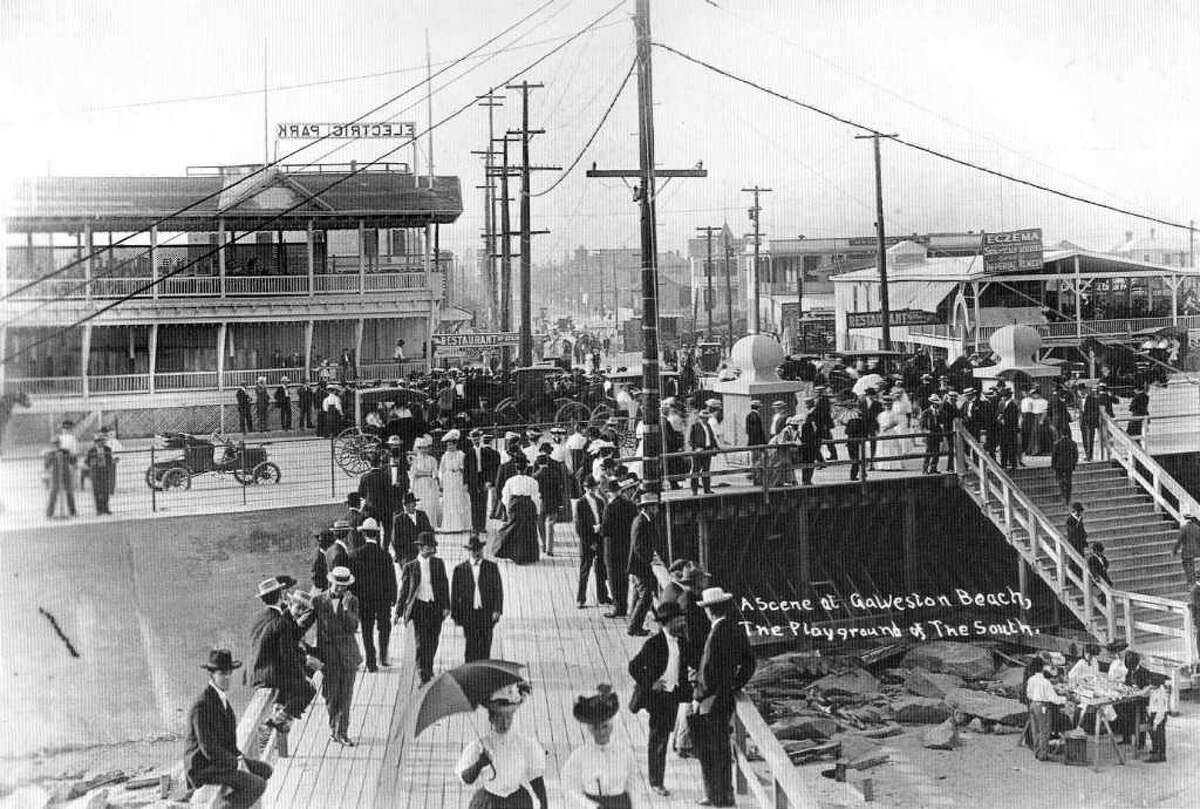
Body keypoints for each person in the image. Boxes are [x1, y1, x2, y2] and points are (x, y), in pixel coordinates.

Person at [184, 649, 273, 809]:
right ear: (212, 675)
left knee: (264, 770)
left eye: (229, 673)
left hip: (219, 761)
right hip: (203, 766)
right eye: (222, 674)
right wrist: (235, 763)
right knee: (256, 785)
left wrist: (239, 757)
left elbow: (228, 741)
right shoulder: (202, 705)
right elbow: (208, 748)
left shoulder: (222, 699)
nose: (227, 678)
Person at [692, 586, 756, 807]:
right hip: (726, 697)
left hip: (710, 701)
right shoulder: (736, 629)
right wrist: (735, 684)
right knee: (721, 749)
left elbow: (707, 673)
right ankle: (724, 794)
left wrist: (697, 697)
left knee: (709, 751)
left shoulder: (715, 633)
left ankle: (716, 796)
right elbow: (750, 662)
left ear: (709, 610)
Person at [629, 601, 694, 797]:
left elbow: (691, 662)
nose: (683, 621)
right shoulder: (653, 644)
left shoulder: (682, 642)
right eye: (679, 619)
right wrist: (650, 684)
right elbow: (633, 667)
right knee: (658, 738)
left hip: (674, 695)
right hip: (658, 697)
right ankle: (656, 781)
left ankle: (662, 770)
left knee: (665, 733)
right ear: (668, 622)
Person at [455, 682, 547, 809]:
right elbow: (466, 779)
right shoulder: (480, 745)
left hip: (518, 802)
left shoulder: (525, 744)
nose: (505, 723)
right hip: (489, 802)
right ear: (491, 719)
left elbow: (535, 777)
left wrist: (544, 804)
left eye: (508, 717)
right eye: (500, 717)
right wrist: (479, 764)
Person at [249, 576, 316, 731]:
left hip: (256, 671)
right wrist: (303, 676)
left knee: (292, 682)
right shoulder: (281, 621)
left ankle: (279, 713)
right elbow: (288, 656)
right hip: (269, 673)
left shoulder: (260, 616)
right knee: (308, 689)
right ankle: (278, 720)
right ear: (280, 595)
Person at [561, 684, 639, 809]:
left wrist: (634, 805)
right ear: (589, 728)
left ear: (612, 725)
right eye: (595, 728)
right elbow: (569, 788)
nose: (601, 732)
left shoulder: (625, 752)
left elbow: (633, 785)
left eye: (605, 726)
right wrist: (589, 805)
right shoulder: (579, 756)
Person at [314, 566, 362, 745]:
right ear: (331, 582)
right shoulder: (318, 601)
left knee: (345, 696)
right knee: (330, 695)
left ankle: (341, 732)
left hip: (348, 656)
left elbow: (353, 626)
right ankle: (334, 728)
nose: (341, 589)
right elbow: (304, 623)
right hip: (329, 657)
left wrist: (346, 608)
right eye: (338, 585)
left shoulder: (352, 600)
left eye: (344, 586)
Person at [396, 532, 450, 685]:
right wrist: (398, 612)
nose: (432, 549)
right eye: (429, 546)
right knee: (421, 641)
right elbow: (404, 590)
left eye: (432, 546)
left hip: (435, 607)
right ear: (420, 547)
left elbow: (444, 585)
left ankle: (428, 666)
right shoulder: (410, 566)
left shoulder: (438, 564)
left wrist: (446, 606)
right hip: (419, 608)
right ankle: (422, 673)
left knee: (433, 640)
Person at [451, 535, 503, 662]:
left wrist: (497, 610)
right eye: (473, 550)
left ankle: (484, 676)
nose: (476, 553)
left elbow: (498, 590)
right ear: (469, 551)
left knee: (485, 645)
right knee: (470, 646)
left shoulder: (491, 567)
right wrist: (455, 615)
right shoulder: (460, 569)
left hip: (486, 612)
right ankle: (470, 674)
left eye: (478, 550)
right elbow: (454, 594)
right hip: (469, 614)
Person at [354, 520, 398, 672]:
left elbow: (353, 582)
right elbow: (392, 578)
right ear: (377, 534)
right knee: (384, 626)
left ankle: (371, 661)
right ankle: (383, 656)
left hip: (364, 600)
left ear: (364, 534)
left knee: (367, 629)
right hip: (383, 599)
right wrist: (394, 597)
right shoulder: (385, 555)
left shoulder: (356, 555)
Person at [494, 456, 541, 565]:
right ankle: (528, 556)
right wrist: (537, 511)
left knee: (513, 529)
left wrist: (507, 508)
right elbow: (535, 497)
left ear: (517, 469)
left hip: (514, 505)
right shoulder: (532, 481)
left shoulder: (511, 480)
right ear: (526, 469)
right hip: (528, 505)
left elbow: (505, 496)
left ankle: (514, 554)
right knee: (528, 530)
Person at [601, 480, 637, 619]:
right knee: (624, 577)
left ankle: (618, 607)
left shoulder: (609, 508)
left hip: (612, 549)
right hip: (626, 546)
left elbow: (605, 530)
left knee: (613, 580)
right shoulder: (630, 505)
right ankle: (624, 605)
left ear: (609, 493)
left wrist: (599, 528)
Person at [627, 495, 662, 637]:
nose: (657, 508)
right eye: (654, 506)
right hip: (640, 566)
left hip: (638, 566)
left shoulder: (644, 520)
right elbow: (638, 547)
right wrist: (650, 560)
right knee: (646, 595)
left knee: (639, 593)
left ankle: (634, 621)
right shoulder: (641, 522)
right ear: (647, 507)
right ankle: (634, 627)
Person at [574, 476, 611, 608]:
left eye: (592, 487)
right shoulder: (580, 503)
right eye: (588, 488)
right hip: (587, 541)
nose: (590, 490)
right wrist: (590, 542)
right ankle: (581, 598)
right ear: (584, 488)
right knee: (585, 571)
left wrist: (601, 527)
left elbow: (604, 519)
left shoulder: (600, 502)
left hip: (599, 539)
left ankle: (602, 596)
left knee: (601, 570)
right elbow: (579, 527)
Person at [1025, 662, 1068, 761]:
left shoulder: (1031, 679)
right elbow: (1053, 698)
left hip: (1033, 704)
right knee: (1044, 730)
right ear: (1043, 669)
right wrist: (1066, 699)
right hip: (1043, 706)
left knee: (1035, 729)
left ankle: (1037, 751)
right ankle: (1043, 755)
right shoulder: (1045, 682)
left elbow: (1029, 694)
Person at [533, 447, 567, 556]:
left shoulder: (535, 476)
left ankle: (543, 543)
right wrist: (561, 503)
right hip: (553, 501)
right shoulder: (555, 474)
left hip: (540, 502)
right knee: (550, 524)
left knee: (540, 523)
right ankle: (550, 548)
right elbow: (559, 490)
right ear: (547, 462)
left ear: (538, 464)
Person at [466, 429, 500, 534]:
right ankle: (475, 526)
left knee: (483, 502)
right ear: (471, 439)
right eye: (473, 439)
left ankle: (482, 526)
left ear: (480, 439)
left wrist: (489, 481)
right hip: (473, 480)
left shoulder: (486, 452)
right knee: (474, 503)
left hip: (483, 478)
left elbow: (490, 468)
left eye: (477, 438)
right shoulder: (468, 453)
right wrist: (465, 483)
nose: (475, 441)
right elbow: (466, 470)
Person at [438, 431, 472, 533]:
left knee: (459, 501)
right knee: (449, 502)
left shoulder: (461, 454)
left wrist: (464, 479)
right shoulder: (445, 456)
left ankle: (461, 525)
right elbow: (441, 470)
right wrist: (441, 483)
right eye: (448, 445)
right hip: (448, 480)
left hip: (458, 478)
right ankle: (450, 526)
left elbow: (465, 469)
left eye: (451, 445)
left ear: (455, 445)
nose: (449, 447)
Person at [392, 492, 435, 565]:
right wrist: (401, 557)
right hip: (407, 556)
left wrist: (431, 551)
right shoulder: (398, 519)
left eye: (411, 505)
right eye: (407, 506)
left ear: (415, 504)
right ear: (404, 506)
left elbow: (429, 532)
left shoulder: (422, 515)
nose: (409, 508)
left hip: (423, 553)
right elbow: (396, 541)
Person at [409, 435, 442, 528]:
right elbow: (414, 473)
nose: (423, 450)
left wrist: (432, 477)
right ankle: (420, 524)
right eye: (421, 448)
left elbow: (435, 472)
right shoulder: (415, 460)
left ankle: (431, 524)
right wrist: (426, 473)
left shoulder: (432, 460)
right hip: (419, 484)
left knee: (430, 503)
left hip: (429, 484)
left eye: (425, 448)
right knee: (420, 503)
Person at [43, 438, 76, 519]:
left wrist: (72, 457)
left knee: (69, 492)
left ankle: (73, 512)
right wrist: (49, 457)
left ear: (60, 443)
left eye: (58, 443)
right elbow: (46, 465)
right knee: (53, 493)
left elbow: (73, 461)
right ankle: (49, 513)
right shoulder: (50, 453)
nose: (56, 445)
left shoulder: (66, 451)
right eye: (54, 444)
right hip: (55, 475)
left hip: (66, 474)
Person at [688, 408, 719, 495]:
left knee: (706, 470)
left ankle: (707, 489)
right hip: (698, 451)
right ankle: (694, 490)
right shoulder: (695, 426)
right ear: (700, 418)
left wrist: (715, 447)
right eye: (704, 418)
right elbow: (691, 440)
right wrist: (696, 448)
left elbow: (712, 437)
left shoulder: (708, 426)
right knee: (696, 470)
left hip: (707, 450)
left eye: (707, 418)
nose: (706, 419)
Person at [84, 434, 115, 515]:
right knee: (97, 491)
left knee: (105, 491)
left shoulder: (108, 449)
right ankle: (99, 509)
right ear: (95, 442)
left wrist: (112, 461)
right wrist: (93, 463)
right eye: (98, 441)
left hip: (104, 472)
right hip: (95, 473)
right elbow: (86, 461)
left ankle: (106, 508)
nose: (100, 443)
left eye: (102, 441)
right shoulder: (91, 451)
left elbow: (110, 460)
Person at [1050, 431, 1078, 504]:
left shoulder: (1057, 444)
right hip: (1069, 465)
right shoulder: (1073, 443)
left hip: (1059, 465)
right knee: (1069, 480)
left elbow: (1054, 456)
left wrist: (1053, 466)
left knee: (1059, 478)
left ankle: (1062, 488)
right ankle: (1068, 498)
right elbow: (1076, 456)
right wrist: (1073, 463)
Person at [1146, 679, 1171, 762]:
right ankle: (1156, 751)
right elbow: (1143, 694)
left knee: (1159, 735)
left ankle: (1160, 755)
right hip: (1154, 713)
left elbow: (1161, 710)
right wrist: (1148, 688)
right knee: (1154, 734)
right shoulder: (1154, 690)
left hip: (1159, 715)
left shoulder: (1161, 693)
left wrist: (1156, 722)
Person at [1172, 511, 1200, 585]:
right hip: (1196, 552)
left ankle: (1191, 582)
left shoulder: (1183, 528)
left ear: (1185, 519)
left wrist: (1174, 551)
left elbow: (1179, 541)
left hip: (1187, 552)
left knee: (1187, 567)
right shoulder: (1197, 528)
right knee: (1192, 566)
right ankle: (1194, 581)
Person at [1066, 503, 1087, 578]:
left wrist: (1084, 537)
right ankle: (1072, 577)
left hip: (1080, 543)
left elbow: (1082, 530)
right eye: (1079, 511)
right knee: (1073, 561)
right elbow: (1072, 531)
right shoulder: (1070, 520)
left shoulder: (1079, 519)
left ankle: (1080, 575)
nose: (1080, 513)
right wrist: (1078, 523)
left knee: (1081, 559)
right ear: (1075, 511)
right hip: (1073, 543)